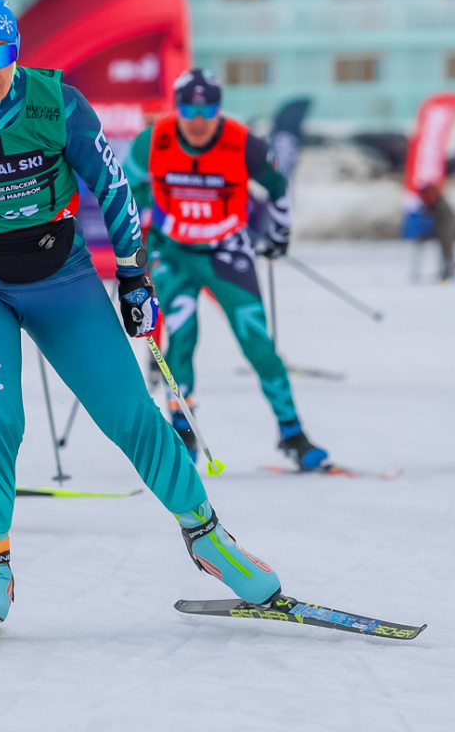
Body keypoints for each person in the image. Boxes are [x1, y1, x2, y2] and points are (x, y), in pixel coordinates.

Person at [0, 0, 291, 650]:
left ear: (16, 51)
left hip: (60, 274)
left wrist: (133, 276)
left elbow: (114, 188)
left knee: (131, 414)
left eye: (0, 53)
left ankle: (208, 538)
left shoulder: (58, 103)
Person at [126, 68, 323, 469]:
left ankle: (292, 433)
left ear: (219, 106)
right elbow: (119, 185)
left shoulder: (243, 143)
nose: (198, 120)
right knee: (181, 338)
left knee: (258, 343)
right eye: (189, 109)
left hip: (227, 253)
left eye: (208, 108)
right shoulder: (154, 140)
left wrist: (279, 235)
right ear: (177, 107)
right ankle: (184, 431)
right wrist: (132, 231)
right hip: (173, 252)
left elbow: (278, 187)